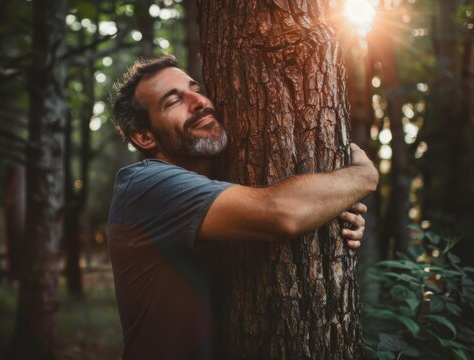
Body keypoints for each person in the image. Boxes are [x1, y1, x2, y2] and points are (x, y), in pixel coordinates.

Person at [108, 56, 378, 360]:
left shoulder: (218, 185)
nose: (199, 102)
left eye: (195, 89)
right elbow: (281, 213)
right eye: (173, 101)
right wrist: (363, 177)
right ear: (144, 136)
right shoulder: (146, 186)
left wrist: (332, 208)